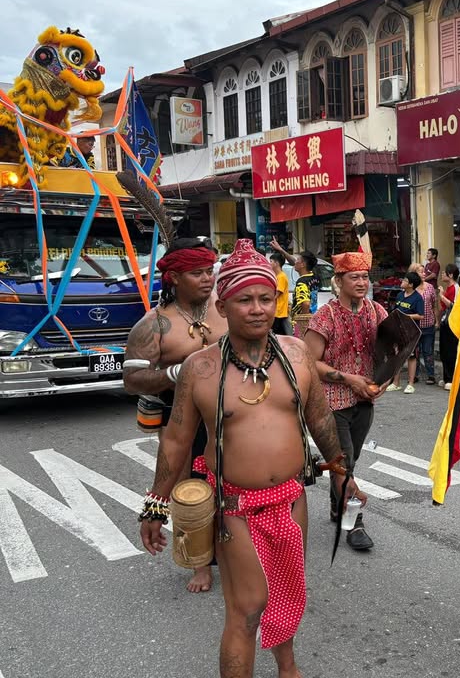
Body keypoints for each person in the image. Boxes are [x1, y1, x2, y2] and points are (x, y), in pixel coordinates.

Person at [138, 239, 348, 678]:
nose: (257, 309)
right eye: (245, 300)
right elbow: (175, 441)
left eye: (266, 299)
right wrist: (156, 504)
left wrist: (341, 471)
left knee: (287, 592)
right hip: (234, 506)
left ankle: (288, 669)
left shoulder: (296, 354)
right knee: (246, 608)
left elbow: (320, 417)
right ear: (224, 306)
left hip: (292, 498)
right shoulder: (200, 369)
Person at [123, 236, 227, 593]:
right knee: (187, 490)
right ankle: (200, 564)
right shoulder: (154, 324)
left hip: (229, 412)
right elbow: (132, 380)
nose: (207, 278)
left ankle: (233, 551)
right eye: (197, 273)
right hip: (180, 417)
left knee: (234, 483)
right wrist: (176, 373)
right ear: (175, 278)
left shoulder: (226, 306)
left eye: (209, 270)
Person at [304, 251, 388, 551]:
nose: (362, 282)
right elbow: (308, 362)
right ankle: (353, 522)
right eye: (354, 277)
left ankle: (335, 505)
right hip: (330, 403)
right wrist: (350, 379)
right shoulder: (324, 317)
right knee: (343, 463)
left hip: (364, 402)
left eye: (365, 276)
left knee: (349, 460)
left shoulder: (377, 311)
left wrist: (384, 382)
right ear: (338, 281)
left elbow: (393, 352)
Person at [269, 238, 321, 337]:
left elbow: (305, 303)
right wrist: (281, 250)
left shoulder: (302, 282)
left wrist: (304, 324)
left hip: (301, 322)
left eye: (298, 260)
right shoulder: (314, 276)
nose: (295, 262)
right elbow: (294, 262)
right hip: (313, 317)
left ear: (303, 264)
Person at [386, 271, 425, 394]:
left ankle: (410, 384)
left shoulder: (418, 298)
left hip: (411, 331)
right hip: (398, 329)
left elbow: (421, 315)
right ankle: (396, 383)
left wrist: (406, 316)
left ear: (411, 284)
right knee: (397, 355)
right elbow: (396, 310)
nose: (402, 282)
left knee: (411, 356)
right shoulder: (399, 295)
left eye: (405, 280)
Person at [410, 262, 438, 385]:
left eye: (424, 271)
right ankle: (414, 375)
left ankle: (431, 375)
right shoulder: (411, 289)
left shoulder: (430, 287)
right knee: (415, 351)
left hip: (428, 325)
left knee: (428, 350)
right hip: (414, 326)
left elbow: (434, 305)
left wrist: (437, 320)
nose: (424, 274)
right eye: (421, 272)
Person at [438, 264, 460, 390]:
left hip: (452, 322)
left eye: (444, 273)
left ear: (450, 275)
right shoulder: (448, 288)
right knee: (444, 350)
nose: (442, 275)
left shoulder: (456, 287)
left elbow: (454, 305)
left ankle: (451, 378)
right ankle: (446, 377)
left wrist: (442, 296)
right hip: (445, 321)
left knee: (451, 350)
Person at [270, 253, 292, 336]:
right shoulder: (278, 276)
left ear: (276, 263)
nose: (269, 263)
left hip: (279, 312)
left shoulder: (281, 277)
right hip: (277, 311)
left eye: (271, 261)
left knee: (277, 335)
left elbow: (277, 294)